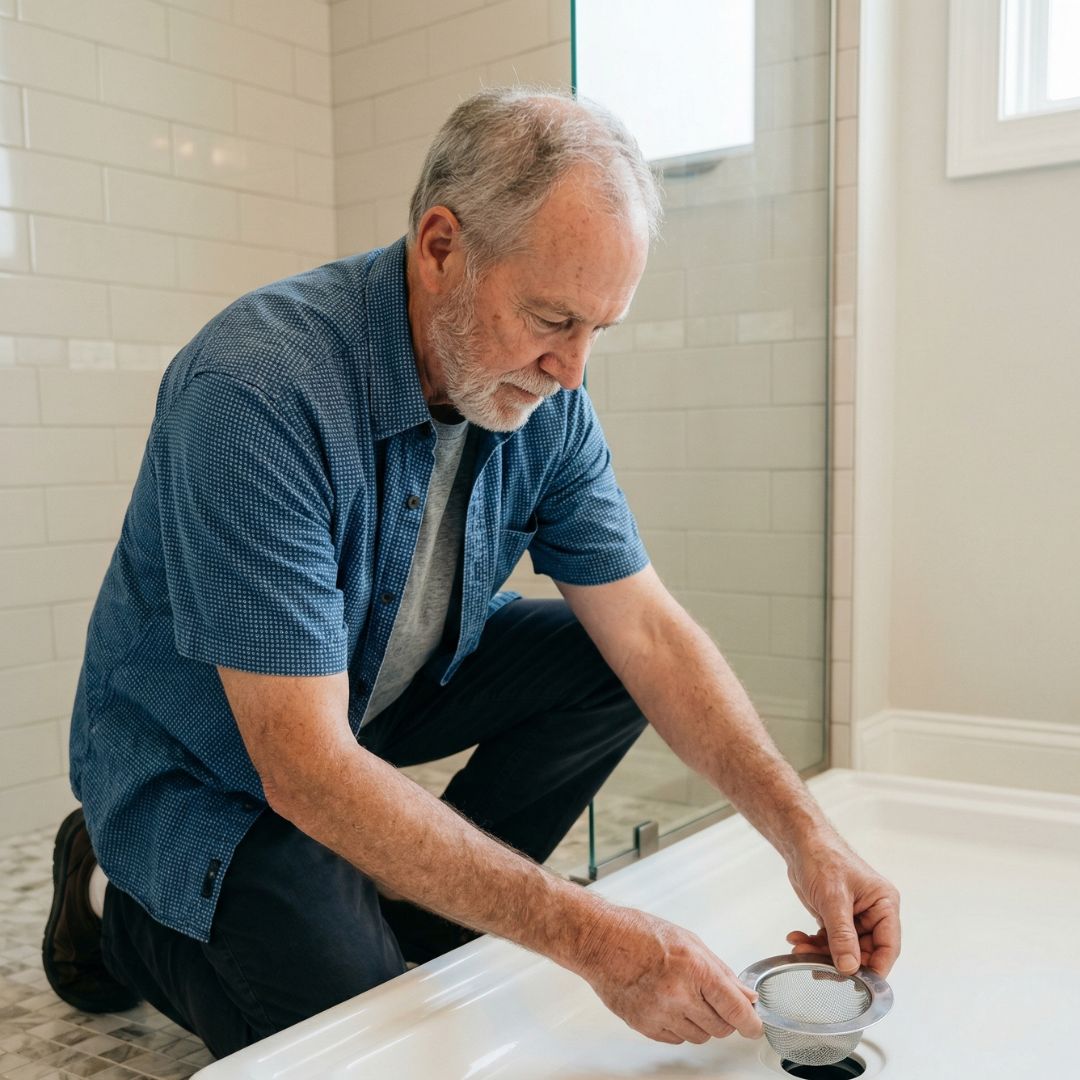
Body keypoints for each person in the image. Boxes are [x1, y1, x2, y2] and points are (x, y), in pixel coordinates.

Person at [43, 88, 900, 1060]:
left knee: (603, 664)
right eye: (551, 318)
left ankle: (406, 916)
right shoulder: (258, 388)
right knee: (370, 1049)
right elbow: (304, 769)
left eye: (597, 331)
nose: (572, 370)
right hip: (212, 772)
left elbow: (650, 636)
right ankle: (120, 900)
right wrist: (593, 939)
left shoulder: (548, 402)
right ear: (440, 246)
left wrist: (806, 834)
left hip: (362, 703)